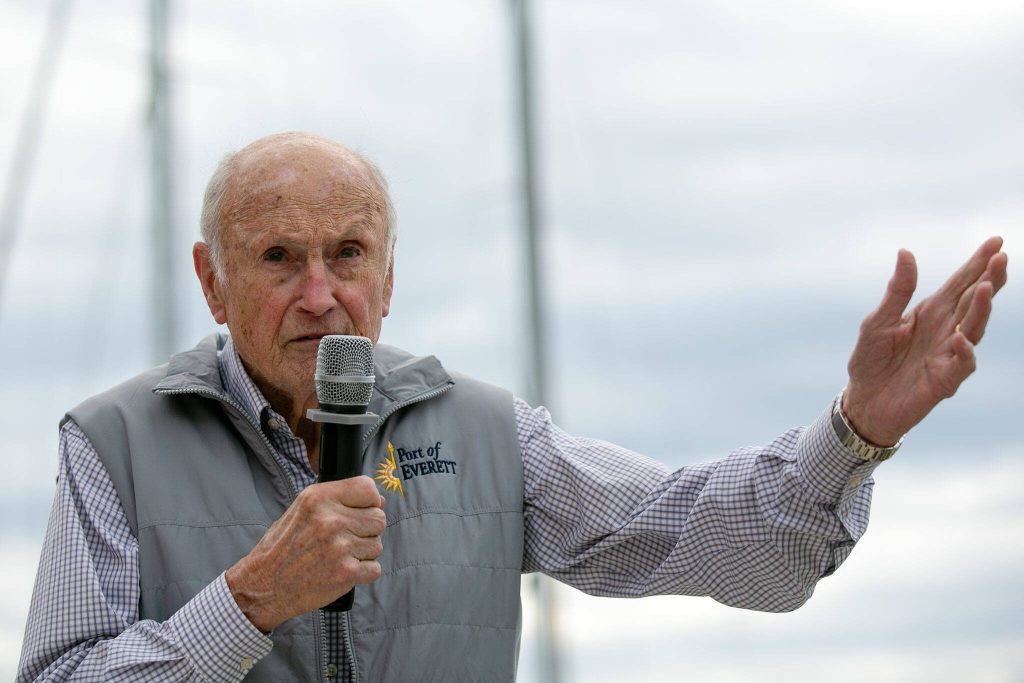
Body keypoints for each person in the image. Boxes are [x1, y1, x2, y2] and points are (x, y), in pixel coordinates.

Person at [18, 132, 1007, 682]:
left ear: (388, 277)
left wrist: (856, 430)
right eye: (279, 257)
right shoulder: (115, 445)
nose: (320, 293)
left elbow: (703, 534)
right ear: (212, 280)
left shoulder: (488, 435)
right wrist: (249, 602)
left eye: (348, 254)